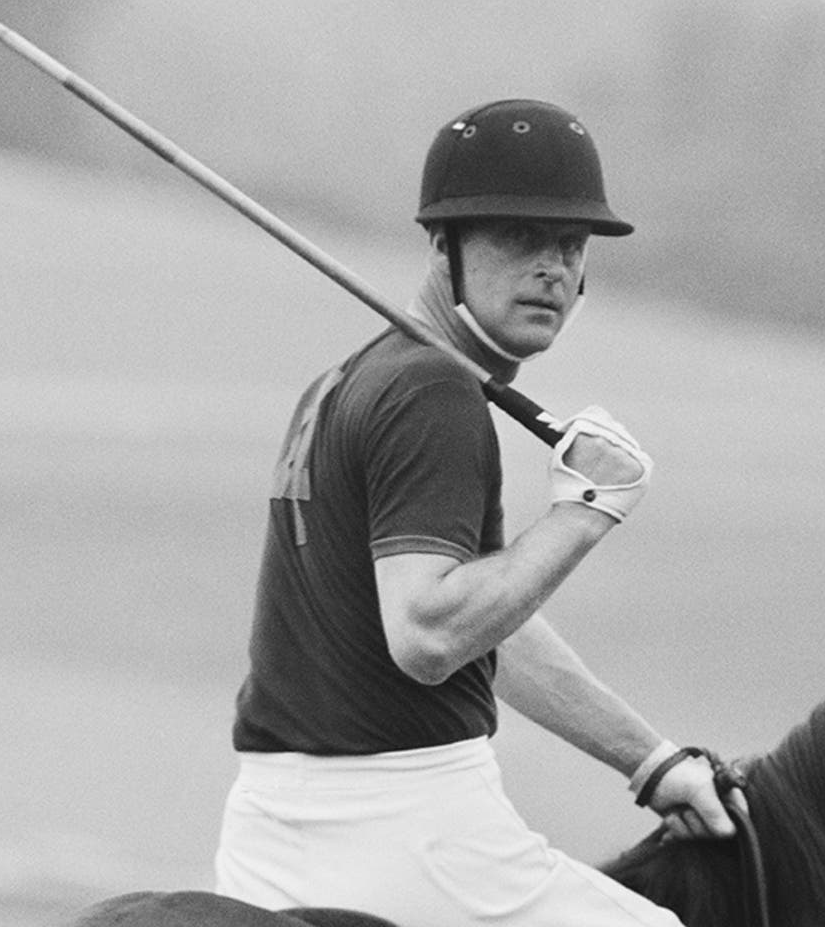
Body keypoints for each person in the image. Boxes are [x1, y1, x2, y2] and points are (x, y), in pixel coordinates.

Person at [212, 99, 738, 926]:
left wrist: (650, 763)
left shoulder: (355, 377)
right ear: (444, 246)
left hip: (268, 831)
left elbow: (484, 629)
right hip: (404, 828)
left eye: (570, 246)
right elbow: (429, 637)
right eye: (519, 239)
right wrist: (587, 510)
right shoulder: (434, 392)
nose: (553, 270)